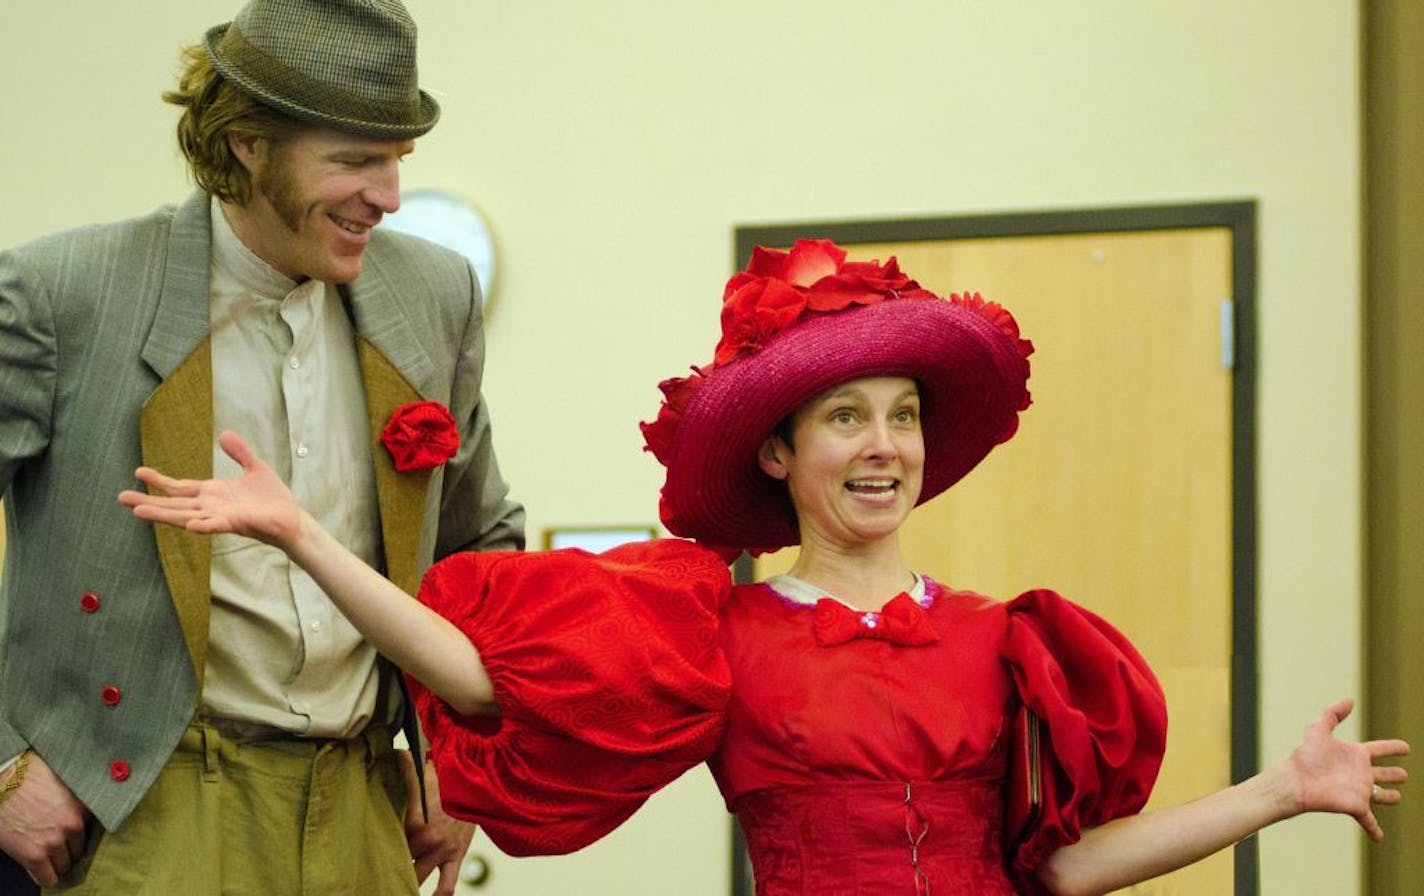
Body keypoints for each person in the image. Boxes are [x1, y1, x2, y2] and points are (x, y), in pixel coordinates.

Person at [120, 240, 1408, 894]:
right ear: (780, 453)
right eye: (846, 418)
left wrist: (1277, 793)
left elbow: (1059, 870)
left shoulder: (1004, 636)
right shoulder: (710, 625)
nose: (882, 445)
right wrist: (307, 538)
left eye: (901, 415)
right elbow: (484, 673)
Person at [0, 1, 524, 893]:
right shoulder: (62, 293)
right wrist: (6, 761)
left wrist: (464, 763)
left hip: (364, 804)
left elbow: (480, 549)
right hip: (144, 808)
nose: (389, 196)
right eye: (355, 160)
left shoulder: (435, 294)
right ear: (246, 143)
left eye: (398, 160)